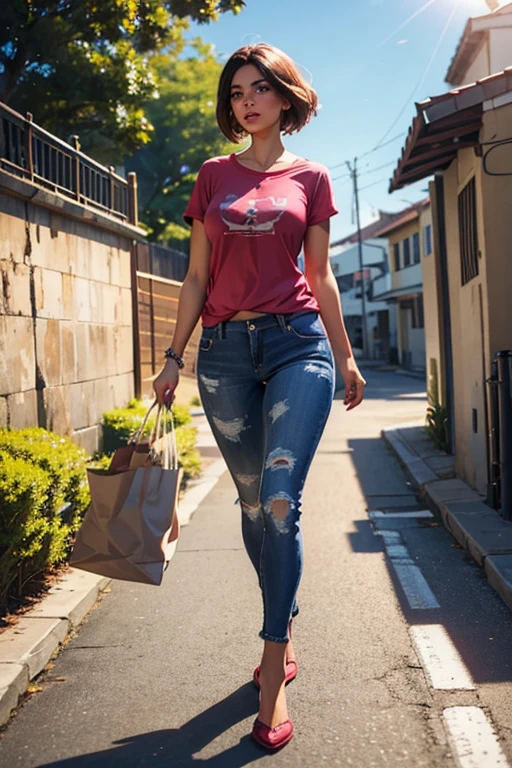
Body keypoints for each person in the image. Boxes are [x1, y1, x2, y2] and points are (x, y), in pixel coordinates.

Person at [153, 42, 366, 750]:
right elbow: (194, 274)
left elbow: (322, 275)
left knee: (280, 496)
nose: (247, 100)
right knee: (251, 506)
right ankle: (287, 613)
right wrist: (172, 357)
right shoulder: (212, 176)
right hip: (224, 356)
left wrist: (344, 354)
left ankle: (272, 667)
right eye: (237, 91)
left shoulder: (312, 177)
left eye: (260, 88)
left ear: (285, 97)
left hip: (298, 344)